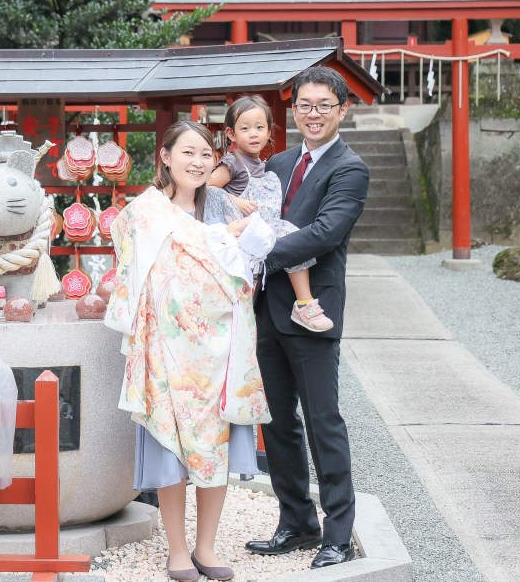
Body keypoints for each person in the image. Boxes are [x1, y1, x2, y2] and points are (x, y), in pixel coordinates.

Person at [105, 120, 274, 582]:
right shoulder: (146, 211)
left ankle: (207, 547)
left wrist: (233, 242)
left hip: (219, 349)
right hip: (167, 349)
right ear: (165, 156)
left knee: (215, 446)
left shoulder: (219, 208)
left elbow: (246, 270)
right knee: (171, 448)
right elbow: (138, 271)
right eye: (189, 153)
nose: (199, 162)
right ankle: (177, 550)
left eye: (207, 155)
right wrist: (223, 240)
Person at [244, 66, 369, 569]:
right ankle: (296, 521)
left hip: (311, 311)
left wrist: (252, 248)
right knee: (276, 423)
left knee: (323, 422)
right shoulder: (276, 161)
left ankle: (337, 534)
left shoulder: (350, 168)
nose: (312, 113)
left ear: (343, 110)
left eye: (323, 105)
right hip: (266, 309)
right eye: (304, 104)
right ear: (292, 109)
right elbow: (252, 211)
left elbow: (324, 233)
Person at [209, 94, 334, 332]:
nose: (253, 134)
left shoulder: (265, 164)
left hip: (263, 229)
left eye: (259, 127)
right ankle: (304, 302)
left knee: (289, 247)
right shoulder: (233, 162)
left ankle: (303, 304)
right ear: (231, 134)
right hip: (243, 229)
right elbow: (207, 186)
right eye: (245, 128)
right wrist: (235, 199)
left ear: (269, 132)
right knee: (291, 237)